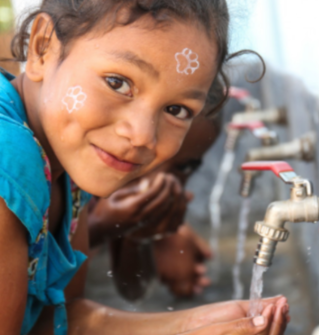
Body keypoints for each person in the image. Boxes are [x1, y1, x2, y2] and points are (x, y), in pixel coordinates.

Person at [0, 1, 289, 334]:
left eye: (176, 110)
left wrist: (190, 325)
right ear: (42, 47)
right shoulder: (5, 155)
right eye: (118, 83)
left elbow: (60, 321)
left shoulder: (68, 164)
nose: (142, 135)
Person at [89, 107, 221, 300]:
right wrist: (100, 227)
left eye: (184, 167)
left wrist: (150, 233)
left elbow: (133, 291)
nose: (158, 181)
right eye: (145, 156)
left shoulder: (120, 196)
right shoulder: (63, 181)